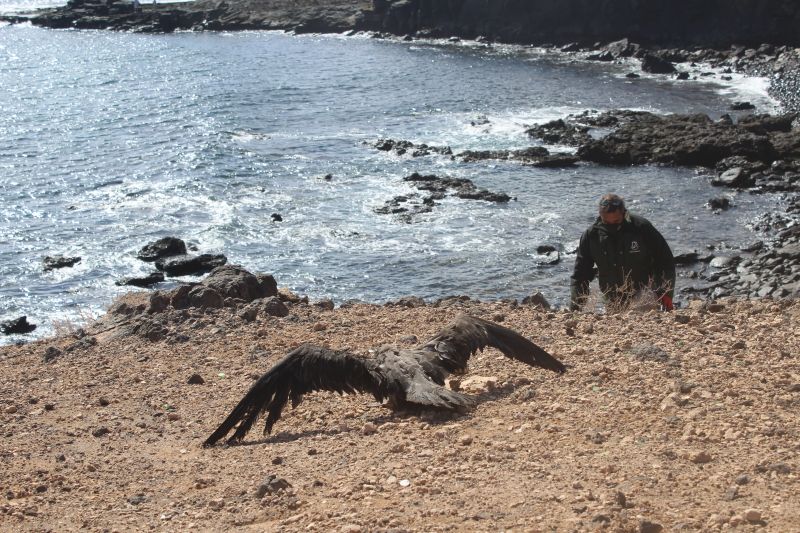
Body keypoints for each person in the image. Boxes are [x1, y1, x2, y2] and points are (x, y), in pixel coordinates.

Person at [570, 194, 675, 311]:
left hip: (643, 291)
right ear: (600, 215)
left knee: (638, 320)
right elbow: (580, 276)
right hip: (612, 297)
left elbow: (665, 261)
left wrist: (666, 293)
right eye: (607, 222)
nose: (612, 226)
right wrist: (575, 308)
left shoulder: (641, 228)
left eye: (616, 221)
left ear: (624, 213)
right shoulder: (591, 236)